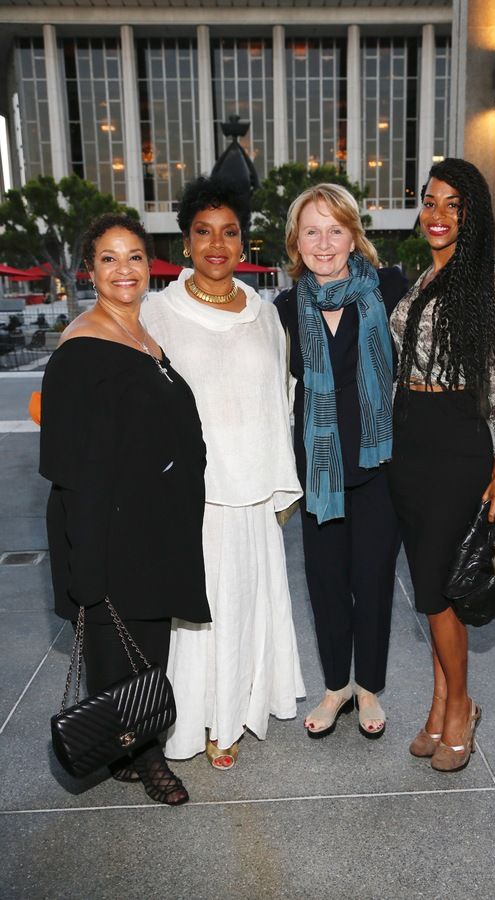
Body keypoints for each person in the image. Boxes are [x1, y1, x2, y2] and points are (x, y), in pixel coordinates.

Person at [40, 213, 210, 805]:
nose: (124, 269)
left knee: (147, 644)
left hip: (151, 527)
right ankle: (146, 755)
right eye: (109, 258)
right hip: (107, 530)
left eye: (134, 256)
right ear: (90, 270)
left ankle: (125, 747)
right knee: (123, 652)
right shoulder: (81, 349)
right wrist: (86, 560)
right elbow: (70, 466)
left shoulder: (142, 335)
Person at [142, 176, 304, 770]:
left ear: (244, 241)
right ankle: (191, 719)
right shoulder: (156, 313)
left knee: (243, 605)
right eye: (203, 232)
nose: (217, 244)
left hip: (252, 492)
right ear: (186, 242)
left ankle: (232, 716)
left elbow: (279, 399)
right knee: (198, 613)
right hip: (192, 496)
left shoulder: (264, 314)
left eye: (229, 232)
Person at [387, 158, 495, 771]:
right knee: (426, 586)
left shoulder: (493, 282)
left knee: (444, 589)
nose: (437, 215)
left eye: (452, 204)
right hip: (410, 441)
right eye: (429, 201)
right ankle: (440, 704)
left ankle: (463, 704)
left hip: (458, 441)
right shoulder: (421, 279)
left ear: (472, 214)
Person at [275, 184, 407, 740]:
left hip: (381, 466)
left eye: (335, 229)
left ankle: (369, 685)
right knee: (326, 581)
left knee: (374, 580)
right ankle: (336, 686)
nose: (324, 242)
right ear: (296, 242)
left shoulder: (392, 289)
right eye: (312, 231)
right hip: (321, 472)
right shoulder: (282, 310)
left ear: (354, 235)